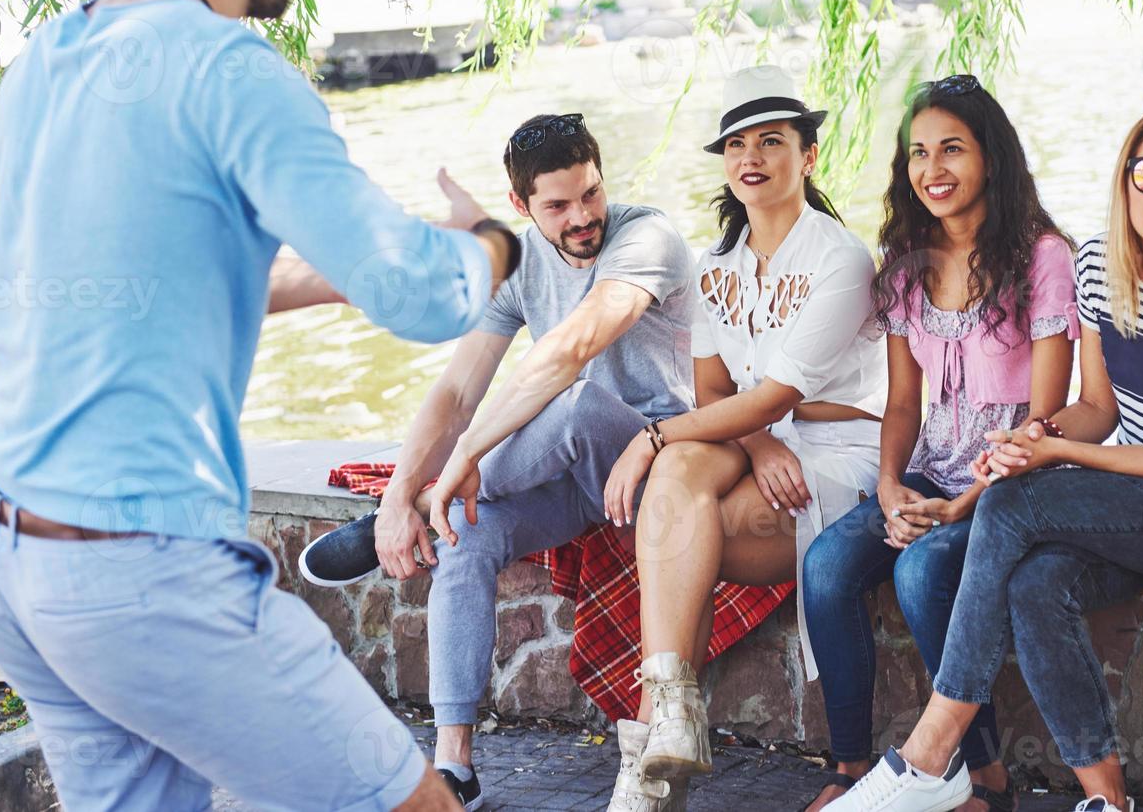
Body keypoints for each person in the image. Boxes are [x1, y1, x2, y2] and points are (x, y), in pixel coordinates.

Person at [0, 0, 518, 810]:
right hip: (140, 570)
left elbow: (97, 279)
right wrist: (490, 243)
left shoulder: (44, 62)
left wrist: (316, 282)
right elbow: (416, 290)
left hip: (21, 564)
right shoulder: (230, 67)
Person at [836, 104, 1143, 812]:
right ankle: (1106, 800)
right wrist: (1035, 438)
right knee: (1034, 584)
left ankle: (929, 751)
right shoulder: (1099, 270)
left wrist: (1055, 457)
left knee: (1021, 502)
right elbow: (1101, 412)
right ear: (1126, 182)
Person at [299, 112, 697, 810]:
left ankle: (430, 501)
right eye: (559, 205)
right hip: (582, 482)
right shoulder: (519, 263)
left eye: (591, 194)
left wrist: (466, 460)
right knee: (465, 534)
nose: (582, 216)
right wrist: (400, 494)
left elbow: (574, 347)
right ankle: (454, 764)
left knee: (574, 403)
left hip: (656, 460)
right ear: (520, 206)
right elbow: (455, 390)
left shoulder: (646, 236)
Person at [598, 65, 887, 807]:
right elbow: (717, 395)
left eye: (771, 141)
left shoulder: (838, 259)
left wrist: (649, 436)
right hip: (766, 441)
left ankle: (649, 760)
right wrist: (754, 442)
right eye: (736, 145)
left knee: (680, 533)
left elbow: (774, 395)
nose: (750, 157)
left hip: (840, 454)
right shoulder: (716, 264)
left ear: (809, 155)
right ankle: (668, 723)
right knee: (679, 480)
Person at [800, 75, 1076, 811]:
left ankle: (983, 776)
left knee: (922, 574)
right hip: (930, 469)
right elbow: (900, 402)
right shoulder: (904, 263)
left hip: (1012, 484)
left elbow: (1044, 419)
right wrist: (891, 486)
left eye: (951, 148)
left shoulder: (1042, 258)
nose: (933, 169)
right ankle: (850, 764)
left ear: (990, 155)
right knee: (826, 563)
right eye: (918, 153)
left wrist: (963, 504)